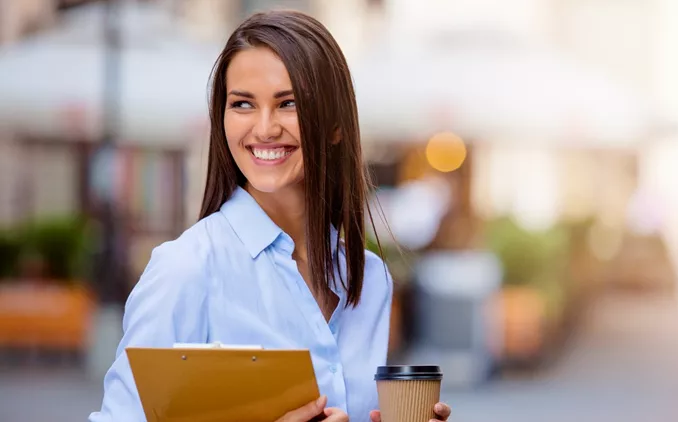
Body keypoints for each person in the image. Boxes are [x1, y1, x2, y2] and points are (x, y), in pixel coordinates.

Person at [89, 10, 452, 422]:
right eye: (242, 103)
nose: (264, 128)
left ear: (335, 125)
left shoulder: (369, 281)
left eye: (289, 103)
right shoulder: (188, 268)